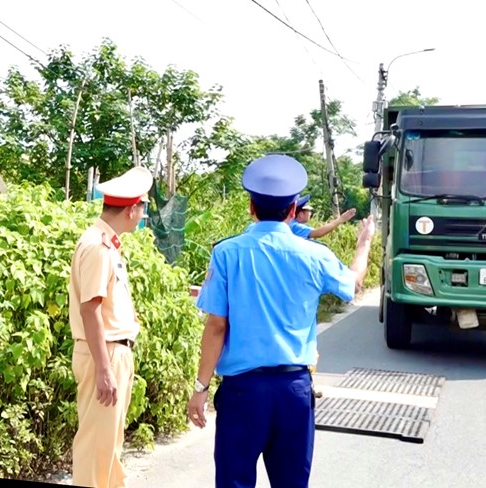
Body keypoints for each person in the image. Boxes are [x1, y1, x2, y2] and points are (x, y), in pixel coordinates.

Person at [186, 154, 375, 488]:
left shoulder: (228, 253)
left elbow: (216, 325)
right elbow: (353, 283)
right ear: (292, 211)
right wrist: (364, 244)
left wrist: (200, 388)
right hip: (293, 391)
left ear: (250, 207)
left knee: (233, 480)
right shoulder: (313, 255)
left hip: (242, 392)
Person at [68, 166, 153, 488]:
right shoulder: (97, 246)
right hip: (104, 354)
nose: (142, 216)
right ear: (132, 209)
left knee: (108, 443)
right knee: (95, 445)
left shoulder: (106, 243)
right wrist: (104, 369)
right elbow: (91, 310)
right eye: (142, 208)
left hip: (112, 353)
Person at [289, 194, 357, 239]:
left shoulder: (291, 223)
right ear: (300, 214)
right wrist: (340, 219)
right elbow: (318, 233)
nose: (310, 214)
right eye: (309, 211)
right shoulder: (296, 227)